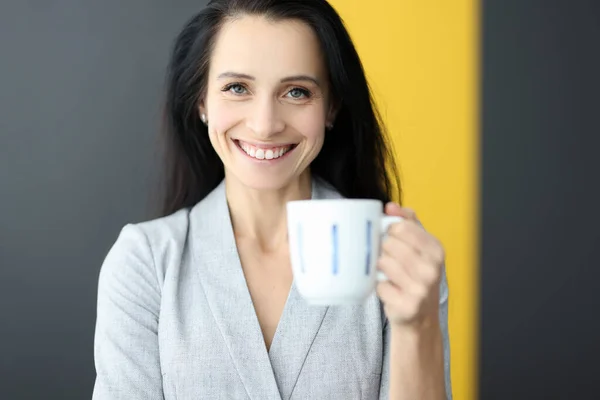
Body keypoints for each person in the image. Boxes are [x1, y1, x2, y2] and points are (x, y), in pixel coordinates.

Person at [92, 0, 452, 399]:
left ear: (331, 107)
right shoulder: (145, 263)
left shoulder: (397, 260)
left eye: (297, 92)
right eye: (237, 88)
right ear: (201, 101)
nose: (265, 124)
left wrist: (416, 326)